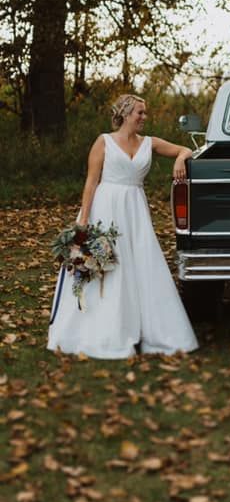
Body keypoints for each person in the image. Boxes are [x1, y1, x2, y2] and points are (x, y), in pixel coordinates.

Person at [48, 94, 198, 358]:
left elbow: (187, 150)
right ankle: (100, 329)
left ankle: (145, 328)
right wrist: (83, 220)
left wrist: (178, 160)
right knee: (103, 266)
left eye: (145, 113)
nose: (144, 117)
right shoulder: (103, 142)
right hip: (104, 208)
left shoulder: (149, 143)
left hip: (135, 210)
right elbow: (91, 182)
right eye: (140, 112)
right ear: (126, 114)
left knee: (139, 264)